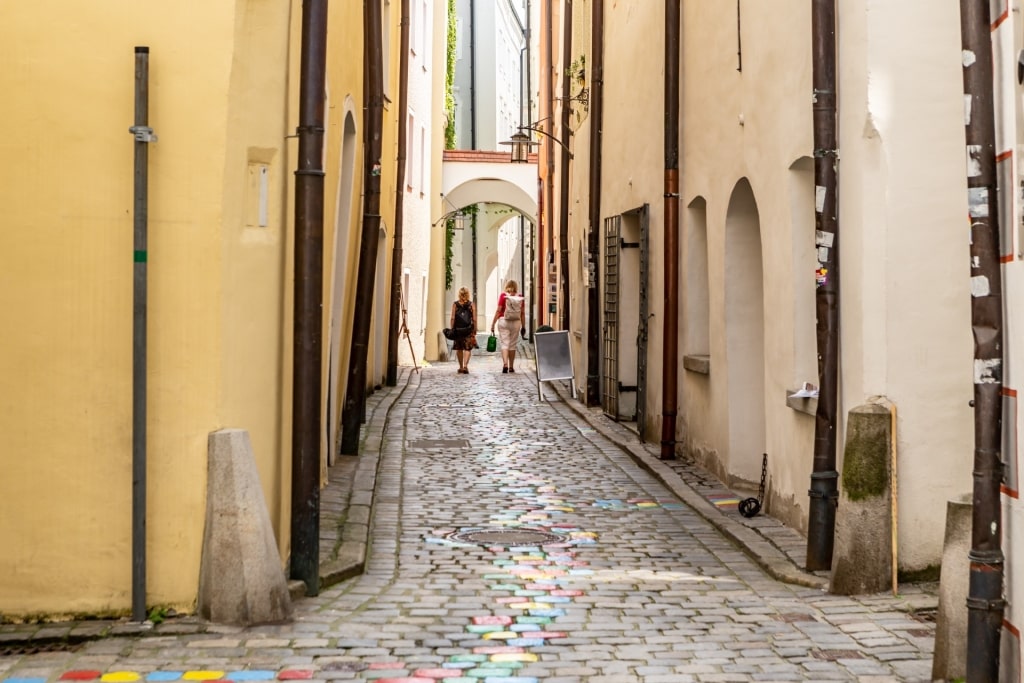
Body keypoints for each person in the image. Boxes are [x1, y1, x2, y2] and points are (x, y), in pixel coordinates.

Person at [490, 279, 524, 373]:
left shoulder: (503, 296)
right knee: (512, 345)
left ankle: (505, 364)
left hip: (503, 320)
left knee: (505, 344)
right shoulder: (520, 297)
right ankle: (511, 366)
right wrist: (523, 326)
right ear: (516, 287)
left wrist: (493, 323)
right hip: (516, 322)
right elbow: (522, 313)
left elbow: (498, 310)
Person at [449, 287, 477, 374]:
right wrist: (475, 328)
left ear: (459, 294)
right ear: (468, 294)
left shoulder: (455, 304)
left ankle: (461, 367)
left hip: (458, 329)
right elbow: (474, 318)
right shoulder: (471, 304)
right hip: (468, 329)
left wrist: (452, 328)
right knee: (467, 348)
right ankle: (465, 366)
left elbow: (453, 318)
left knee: (459, 348)